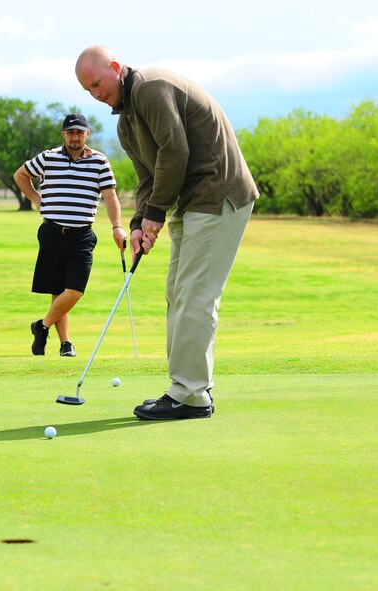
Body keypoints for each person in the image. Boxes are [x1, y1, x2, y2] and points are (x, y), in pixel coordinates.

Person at [76, 46, 259, 420]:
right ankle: (188, 388)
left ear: (115, 67)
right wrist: (139, 223)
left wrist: (156, 214)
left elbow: (175, 150)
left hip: (218, 192)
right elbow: (148, 176)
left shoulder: (150, 87)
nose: (96, 94)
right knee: (178, 293)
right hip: (192, 201)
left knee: (195, 295)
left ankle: (191, 395)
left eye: (97, 83)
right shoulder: (126, 123)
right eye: (87, 90)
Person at [14, 113, 127, 357]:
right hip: (52, 232)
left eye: (79, 132)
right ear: (64, 134)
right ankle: (65, 343)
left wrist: (117, 226)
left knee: (75, 290)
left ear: (87, 134)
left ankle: (41, 327)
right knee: (58, 289)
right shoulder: (49, 157)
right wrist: (34, 197)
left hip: (82, 236)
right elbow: (20, 175)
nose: (74, 137)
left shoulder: (99, 161)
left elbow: (110, 196)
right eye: (70, 133)